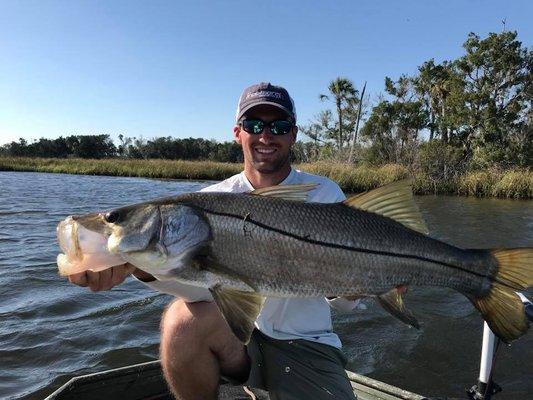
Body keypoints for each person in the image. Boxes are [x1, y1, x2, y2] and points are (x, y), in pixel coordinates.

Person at [68, 82, 359, 400]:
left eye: (278, 125)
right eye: (254, 125)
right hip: (236, 339)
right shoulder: (206, 202)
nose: (265, 136)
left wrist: (356, 279)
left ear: (293, 134)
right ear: (238, 133)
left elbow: (346, 304)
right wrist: (140, 269)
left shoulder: (324, 194)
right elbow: (200, 289)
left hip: (306, 344)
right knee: (180, 320)